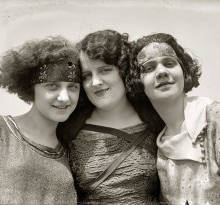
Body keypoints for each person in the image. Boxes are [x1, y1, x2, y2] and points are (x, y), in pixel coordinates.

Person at [57, 29, 163, 204]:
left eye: (105, 70)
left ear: (123, 70)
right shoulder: (67, 129)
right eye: (86, 75)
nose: (96, 82)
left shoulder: (157, 121)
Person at [127, 32, 220, 205]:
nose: (161, 72)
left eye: (169, 63)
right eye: (149, 68)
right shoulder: (156, 140)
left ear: (184, 71)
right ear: (138, 82)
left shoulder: (213, 117)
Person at [0, 36, 81, 204]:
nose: (64, 97)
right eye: (52, 86)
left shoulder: (71, 151)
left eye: (73, 87)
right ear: (30, 88)